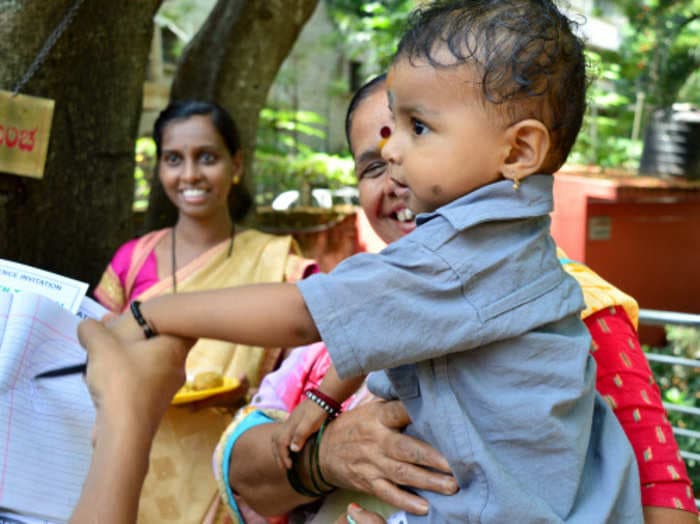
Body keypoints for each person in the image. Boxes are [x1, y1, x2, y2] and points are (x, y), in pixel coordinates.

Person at [105, 0, 645, 521]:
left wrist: (154, 314)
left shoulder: (459, 258)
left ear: (517, 151)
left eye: (418, 127)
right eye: (370, 163)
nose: (392, 154)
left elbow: (305, 313)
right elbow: (388, 321)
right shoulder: (510, 244)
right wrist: (323, 397)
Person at [216, 77, 697, 523]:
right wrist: (325, 459)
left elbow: (665, 502)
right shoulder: (347, 304)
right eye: (373, 164)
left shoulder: (572, 308)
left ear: (507, 152)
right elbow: (242, 464)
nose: (399, 169)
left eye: (422, 132)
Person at [93, 99, 316, 523]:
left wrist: (249, 395)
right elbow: (97, 358)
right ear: (159, 169)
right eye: (174, 159)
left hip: (234, 470)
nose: (190, 174)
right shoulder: (131, 261)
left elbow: (309, 372)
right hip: (139, 472)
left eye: (207, 158)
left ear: (236, 165)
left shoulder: (277, 262)